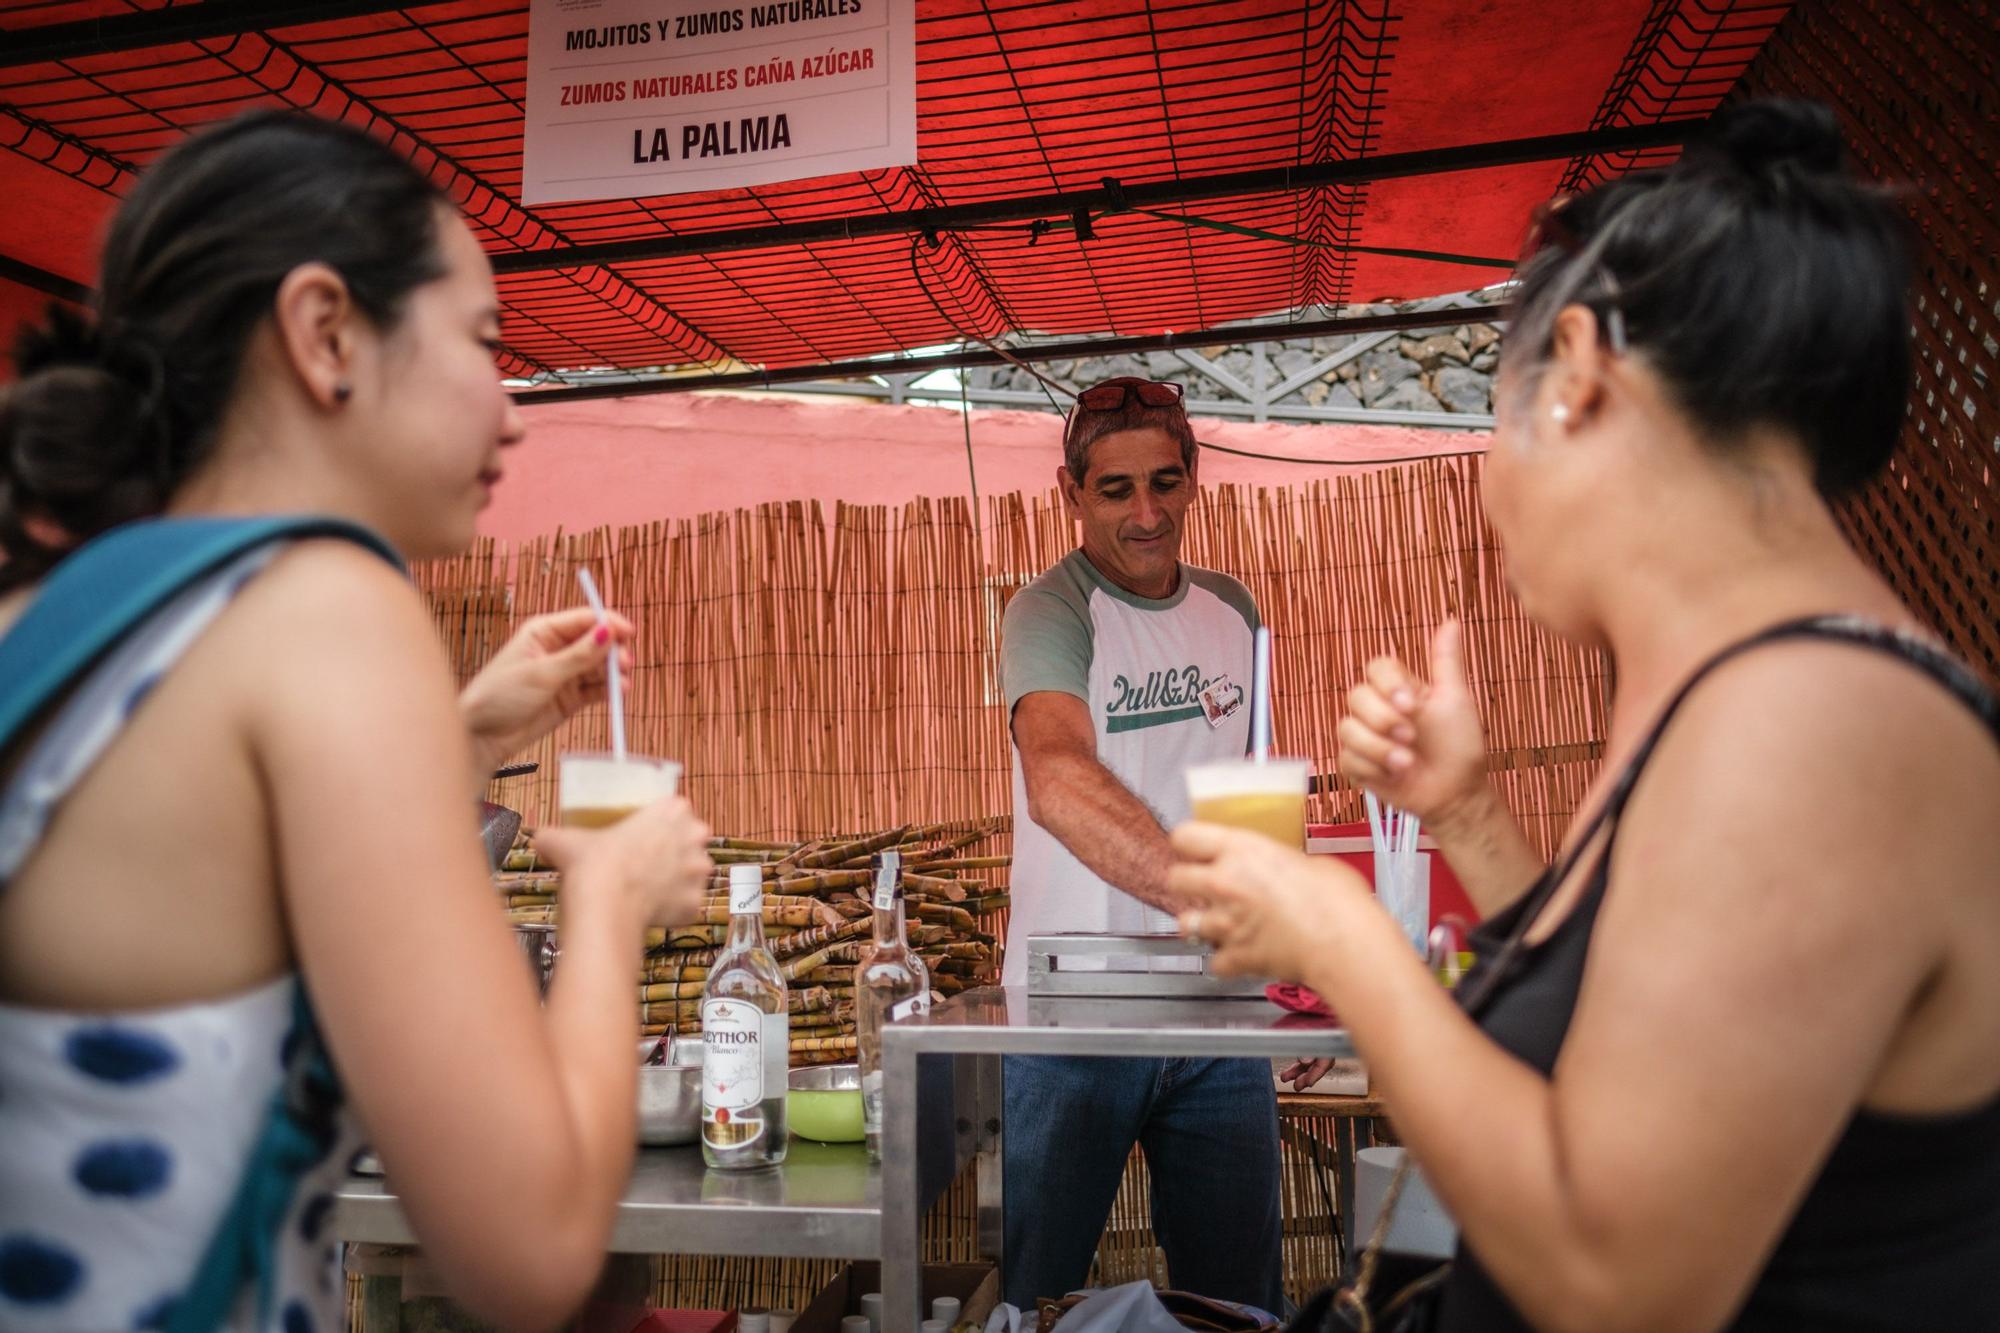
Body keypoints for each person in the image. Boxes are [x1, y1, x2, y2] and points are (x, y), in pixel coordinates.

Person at [1171, 100, 2000, 1332]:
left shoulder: (1812, 724)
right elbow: (1634, 1041)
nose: (1490, 493)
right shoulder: (1746, 690)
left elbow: (1619, 1286)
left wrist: (1341, 937)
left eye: (1487, 424)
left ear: (1574, 375)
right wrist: (1465, 813)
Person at [0, 111, 714, 1331]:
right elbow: (529, 1254)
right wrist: (608, 901)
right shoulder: (334, 602)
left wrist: (466, 739)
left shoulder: (55, 611)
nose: (514, 409)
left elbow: (191, 870)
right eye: (485, 341)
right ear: (326, 333)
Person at [998, 376, 1282, 1313]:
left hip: (1219, 1013)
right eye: (1116, 489)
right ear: (1071, 492)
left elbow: (1251, 799)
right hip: (1073, 1011)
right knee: (1044, 1299)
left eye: (1166, 481)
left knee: (1237, 1303)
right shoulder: (1049, 611)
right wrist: (1205, 899)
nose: (1147, 512)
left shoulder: (1235, 611)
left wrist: (1280, 969)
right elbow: (1058, 779)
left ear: (1196, 476)